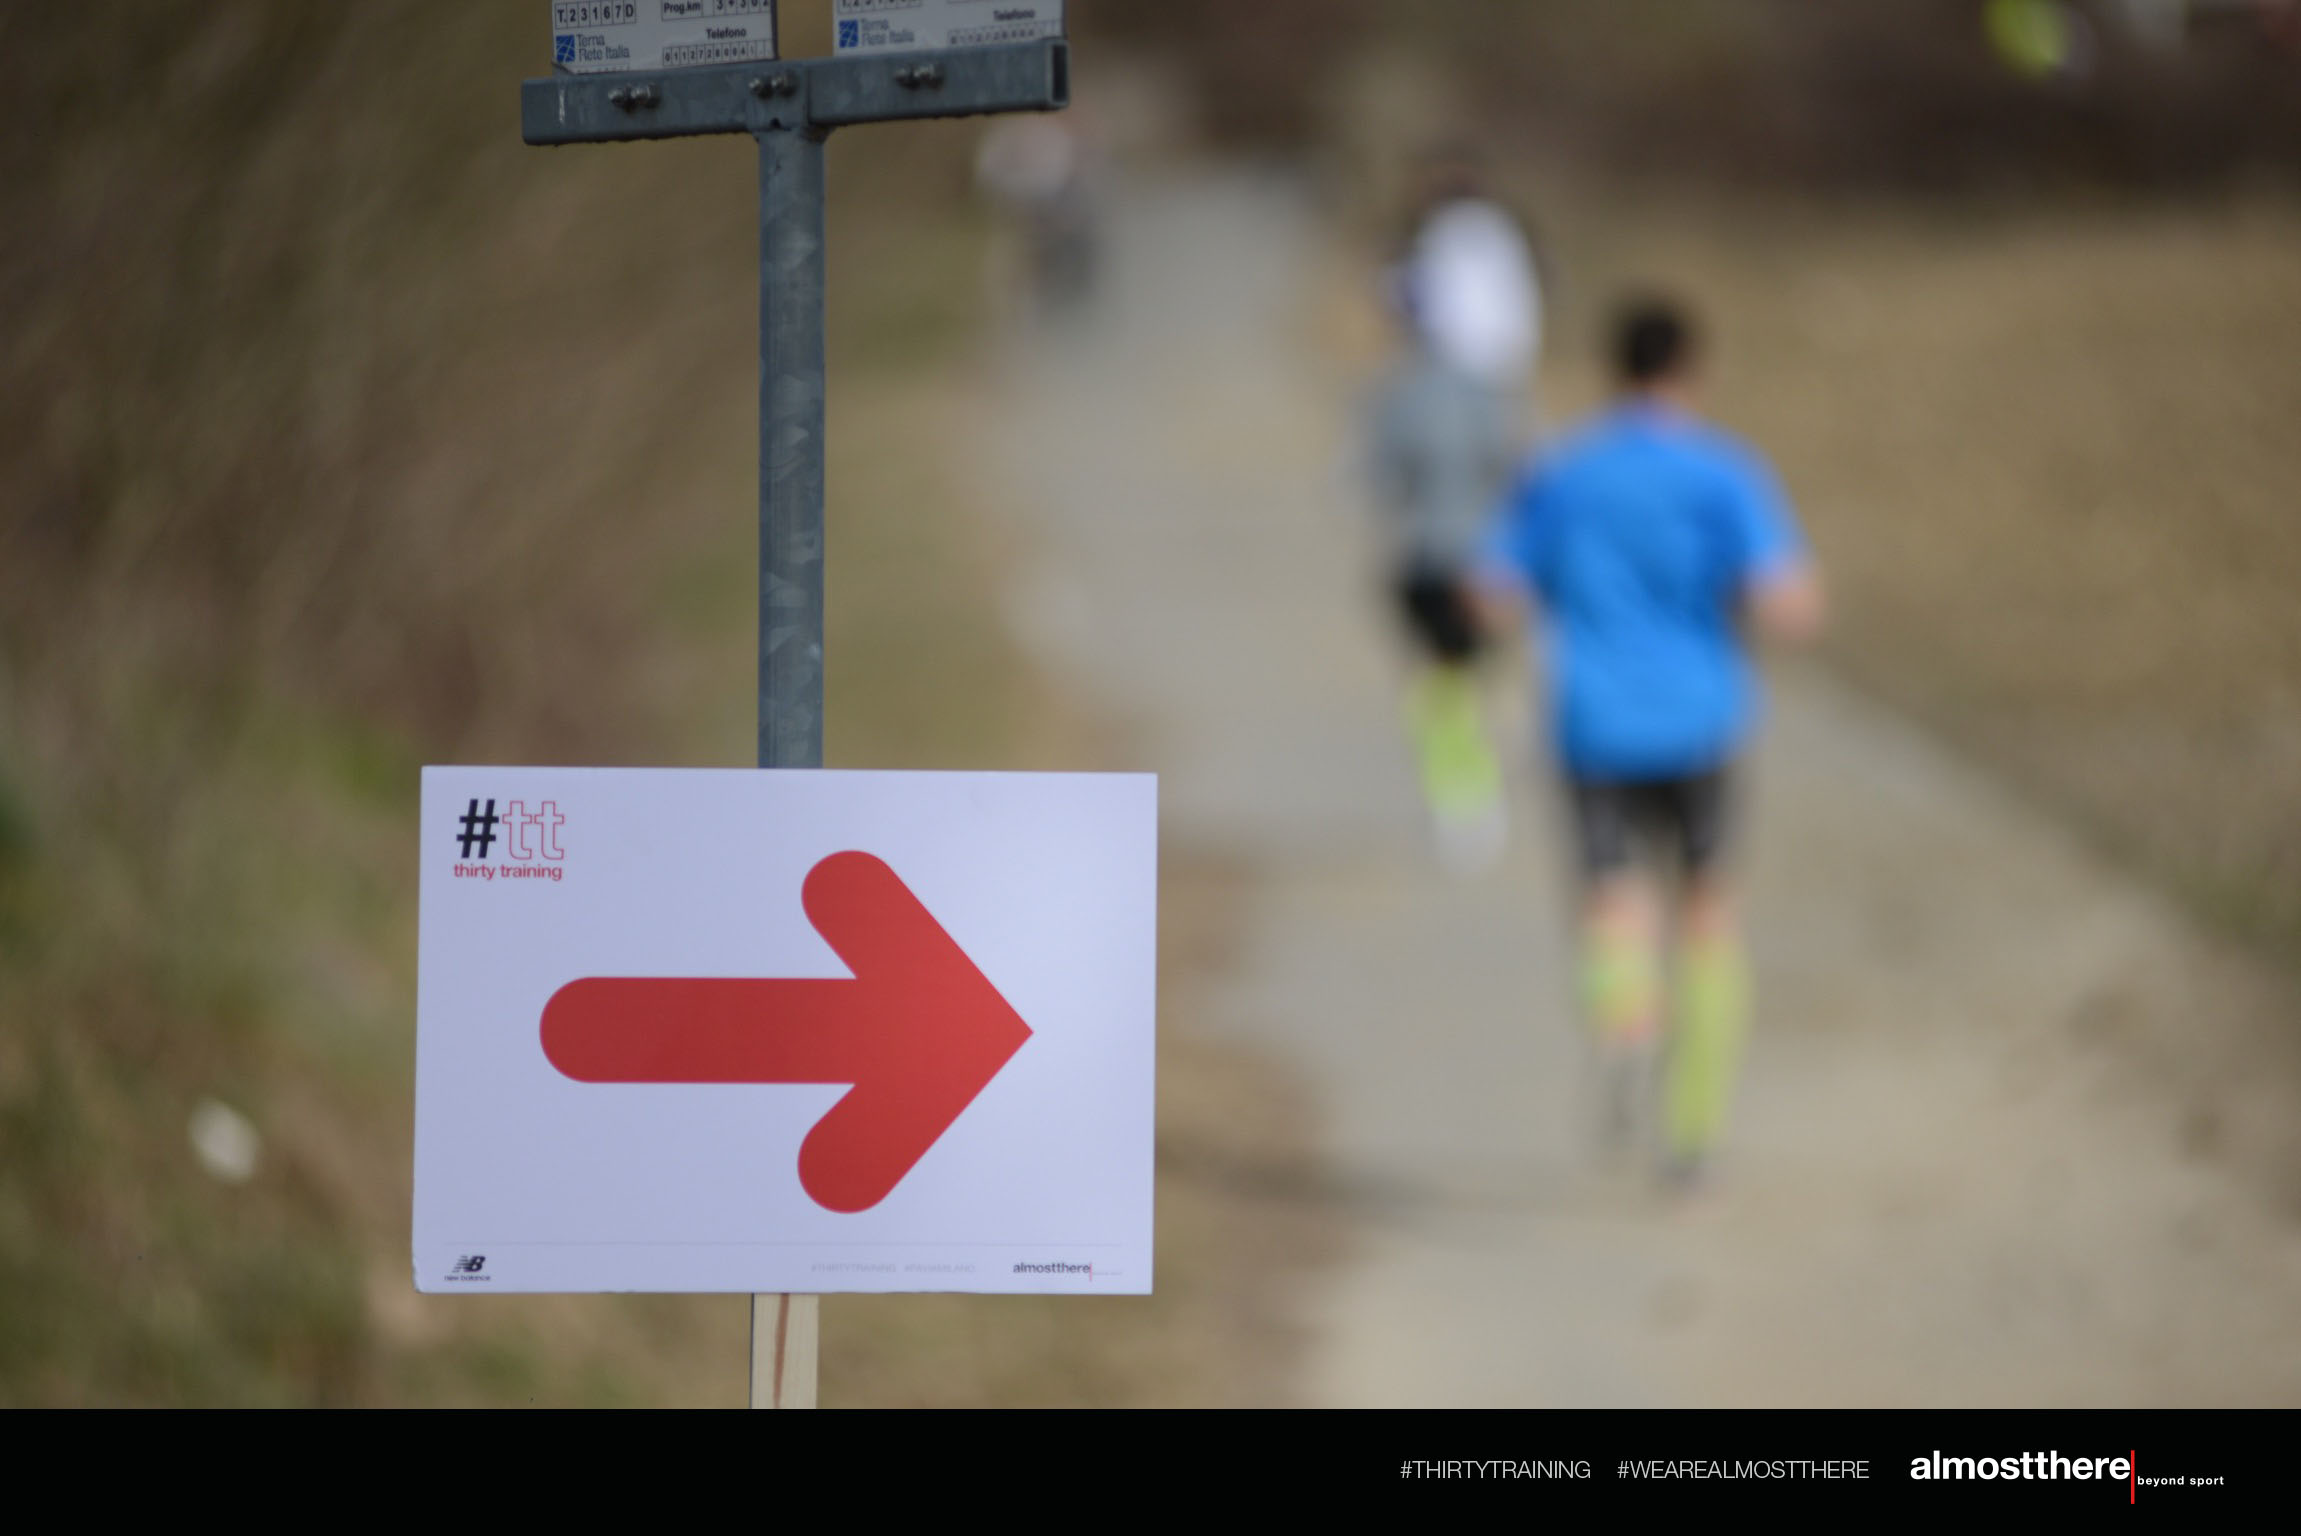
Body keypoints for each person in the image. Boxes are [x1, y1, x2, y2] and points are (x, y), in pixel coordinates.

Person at [1477, 297, 1823, 1188]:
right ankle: (1693, 1137)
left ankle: (1625, 1020)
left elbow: (1493, 597)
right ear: (1692, 371)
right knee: (1706, 910)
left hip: (1592, 723)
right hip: (1700, 719)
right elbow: (1789, 606)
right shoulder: (1725, 474)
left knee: (1610, 900)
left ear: (1612, 369)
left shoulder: (1562, 473)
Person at [1370, 146, 1542, 871]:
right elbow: (1524, 474)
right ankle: (1486, 777)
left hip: (1426, 555)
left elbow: (1375, 479)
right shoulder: (1499, 397)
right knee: (1481, 675)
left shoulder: (1398, 392)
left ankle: (1461, 797)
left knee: (1440, 684)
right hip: (1489, 557)